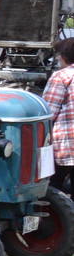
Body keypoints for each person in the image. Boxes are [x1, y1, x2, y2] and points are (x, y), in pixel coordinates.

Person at [45, 37, 74, 195]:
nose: (57, 58)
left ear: (67, 55)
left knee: (51, 190)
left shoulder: (62, 76)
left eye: (59, 54)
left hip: (67, 144)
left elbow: (48, 113)